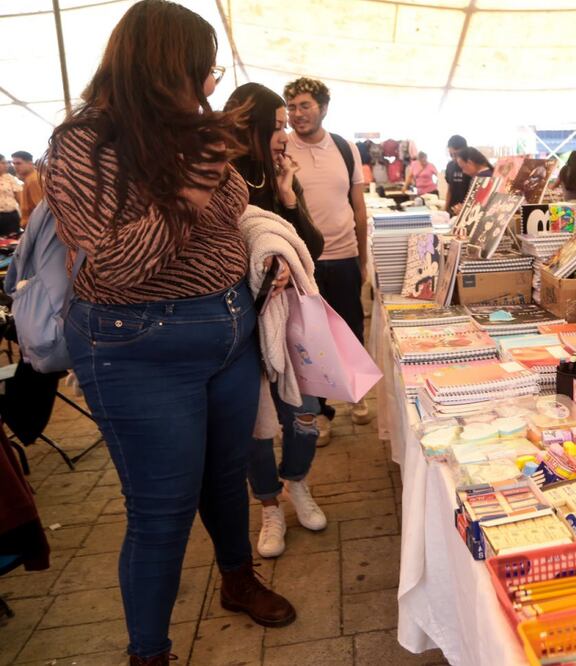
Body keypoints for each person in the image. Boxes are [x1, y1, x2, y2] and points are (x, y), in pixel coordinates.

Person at [43, 2, 296, 663]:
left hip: (226, 334)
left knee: (223, 477)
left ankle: (237, 579)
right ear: (164, 65)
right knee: (163, 507)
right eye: (200, 67)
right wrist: (197, 179)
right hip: (137, 346)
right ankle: (148, 652)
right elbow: (118, 262)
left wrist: (221, 182)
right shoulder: (83, 143)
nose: (208, 81)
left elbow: (237, 205)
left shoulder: (191, 132)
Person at [224, 82, 327, 559]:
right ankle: (268, 503)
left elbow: (314, 247)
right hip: (240, 323)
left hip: (293, 322)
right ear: (254, 126)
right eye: (279, 125)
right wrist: (261, 264)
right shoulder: (219, 176)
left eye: (288, 124)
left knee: (305, 412)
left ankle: (297, 482)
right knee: (256, 424)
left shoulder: (280, 175)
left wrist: (287, 197)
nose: (287, 134)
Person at [283, 76, 371, 434]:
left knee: (350, 328)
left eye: (304, 105)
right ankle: (319, 411)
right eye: (291, 107)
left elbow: (359, 209)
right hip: (303, 262)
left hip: (344, 254)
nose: (297, 114)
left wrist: (362, 259)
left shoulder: (344, 147)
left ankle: (357, 393)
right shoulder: (282, 148)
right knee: (311, 337)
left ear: (323, 108)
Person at [11, 150, 42, 226]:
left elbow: (40, 209)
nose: (15, 166)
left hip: (35, 226)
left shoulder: (33, 180)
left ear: (30, 163)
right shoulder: (30, 179)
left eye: (18, 163)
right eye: (13, 163)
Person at [444, 135, 470, 214]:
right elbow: (450, 190)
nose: (454, 158)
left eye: (456, 154)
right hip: (452, 210)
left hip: (466, 211)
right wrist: (444, 210)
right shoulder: (450, 166)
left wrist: (466, 210)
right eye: (451, 154)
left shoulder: (470, 167)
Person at [0, 154, 20, 235]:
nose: (6, 165)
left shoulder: (10, 178)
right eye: (3, 163)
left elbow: (19, 198)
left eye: (6, 163)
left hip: (11, 216)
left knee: (12, 242)